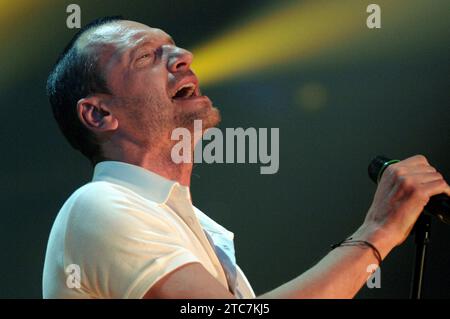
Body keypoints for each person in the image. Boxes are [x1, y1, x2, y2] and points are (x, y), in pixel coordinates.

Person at [43, 16, 450, 299]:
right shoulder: (98, 205)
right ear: (99, 113)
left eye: (172, 46)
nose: (183, 56)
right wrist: (380, 229)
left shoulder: (188, 225)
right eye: (146, 56)